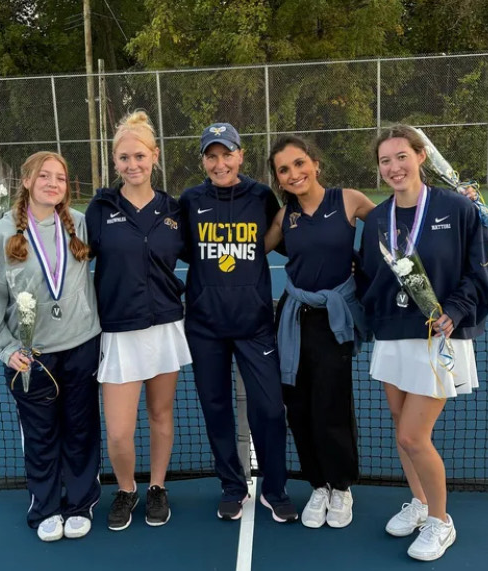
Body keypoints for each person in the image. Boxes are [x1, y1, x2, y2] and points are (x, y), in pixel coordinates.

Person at [359, 124, 488, 561]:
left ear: (421, 157)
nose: (394, 167)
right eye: (385, 160)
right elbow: (370, 276)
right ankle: (419, 503)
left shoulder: (457, 208)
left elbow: (481, 273)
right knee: (402, 437)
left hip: (438, 336)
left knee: (414, 436)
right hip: (394, 338)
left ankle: (441, 521)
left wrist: (453, 312)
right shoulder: (378, 218)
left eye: (402, 156)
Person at [0, 151, 102, 542]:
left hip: (81, 346)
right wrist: (4, 347)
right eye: (44, 176)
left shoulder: (79, 223)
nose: (52, 183)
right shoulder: (2, 233)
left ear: (67, 187)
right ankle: (45, 507)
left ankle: (80, 503)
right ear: (27, 181)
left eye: (60, 178)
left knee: (81, 428)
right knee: (41, 433)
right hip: (32, 357)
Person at [179, 122, 298, 523]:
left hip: (254, 325)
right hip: (204, 327)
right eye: (211, 156)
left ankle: (275, 489)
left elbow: (294, 235)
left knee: (269, 409)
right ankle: (232, 485)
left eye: (227, 154)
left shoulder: (261, 197)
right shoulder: (190, 201)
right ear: (203, 161)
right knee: (216, 409)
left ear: (241, 155)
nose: (220, 163)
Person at [85, 111, 191, 532]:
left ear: (154, 157)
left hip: (165, 328)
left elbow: (201, 259)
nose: (133, 165)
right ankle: (127, 488)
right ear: (115, 162)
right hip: (119, 332)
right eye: (124, 158)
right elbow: (73, 260)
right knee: (118, 432)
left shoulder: (174, 210)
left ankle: (157, 487)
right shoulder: (99, 210)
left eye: (140, 156)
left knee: (161, 415)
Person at [265, 135, 373, 529]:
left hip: (334, 321)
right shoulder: (284, 219)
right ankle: (317, 485)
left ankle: (341, 486)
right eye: (284, 170)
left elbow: (395, 227)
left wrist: (457, 205)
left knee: (332, 403)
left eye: (298, 163)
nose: (294, 174)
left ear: (315, 163)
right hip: (293, 321)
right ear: (278, 179)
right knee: (297, 406)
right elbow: (248, 252)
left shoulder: (349, 200)